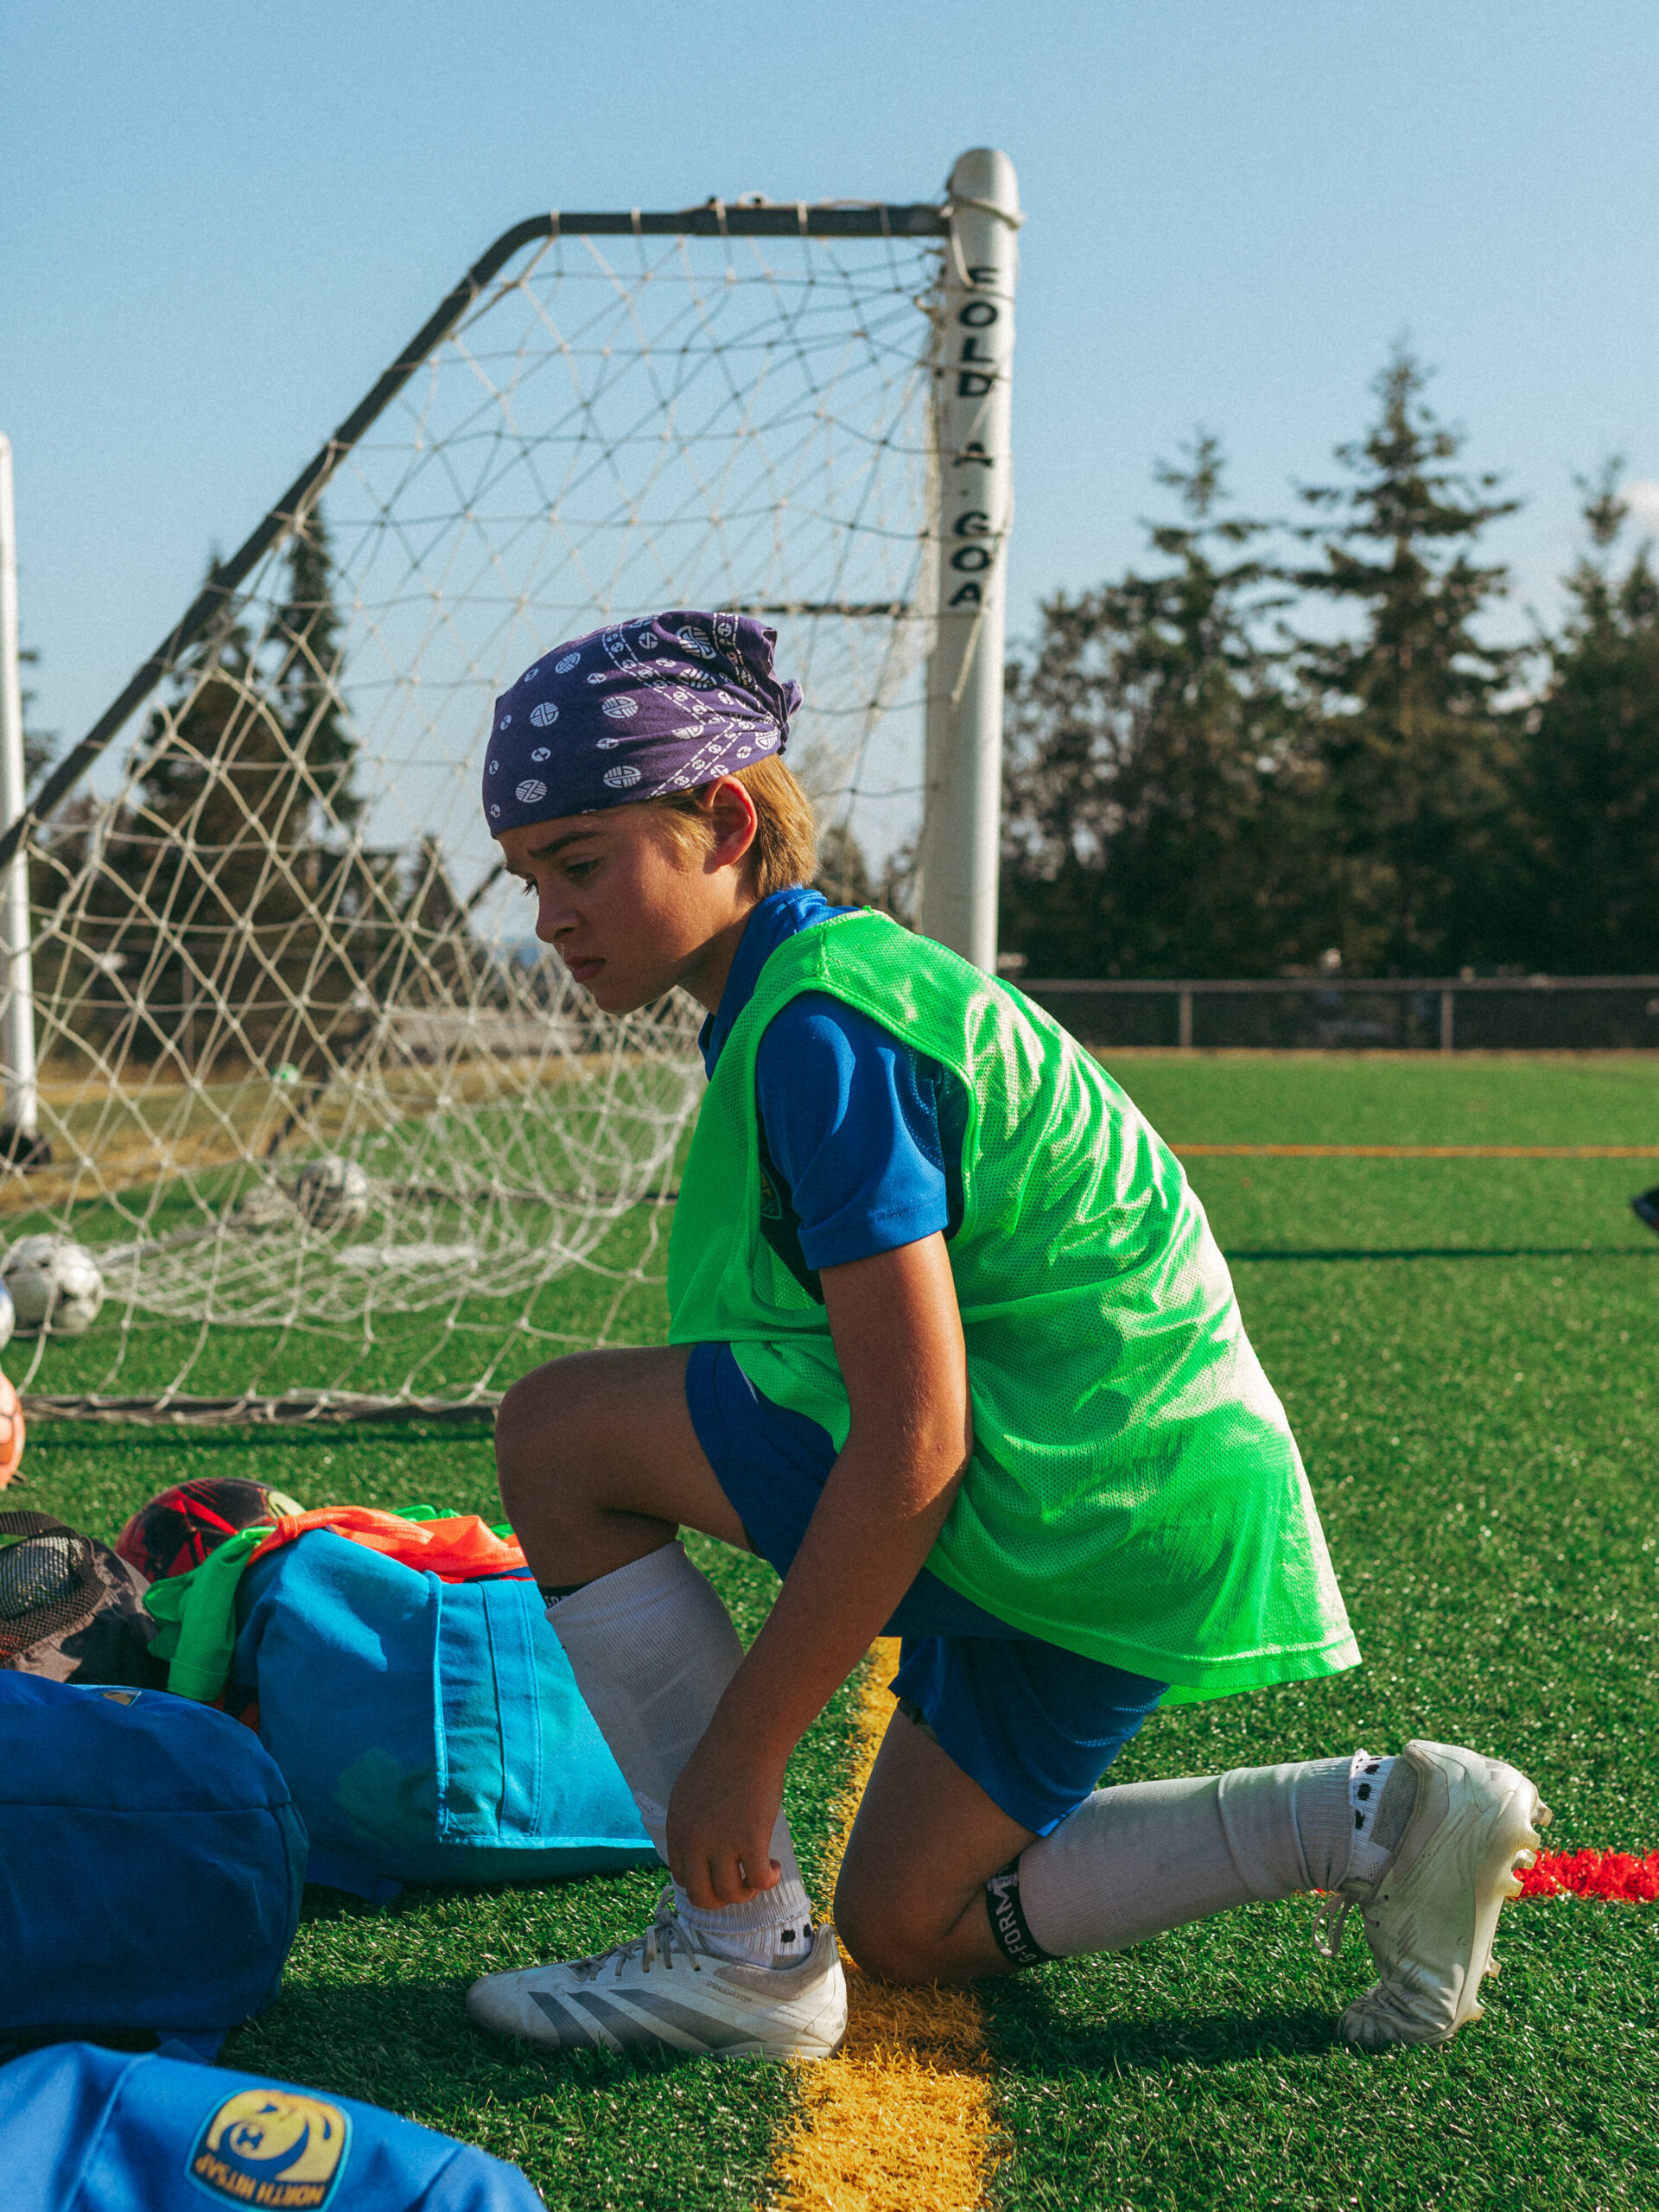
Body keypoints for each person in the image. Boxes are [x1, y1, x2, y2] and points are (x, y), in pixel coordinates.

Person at [465, 610, 1549, 2065]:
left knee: (557, 1434)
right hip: (1127, 1491)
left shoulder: (820, 1027)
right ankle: (1382, 1816)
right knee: (910, 1922)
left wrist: (741, 1752)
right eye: (531, 877)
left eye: (580, 863)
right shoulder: (813, 995)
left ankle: (736, 1958)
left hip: (1070, 1490)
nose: (549, 917)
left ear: (724, 819)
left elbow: (917, 1438)